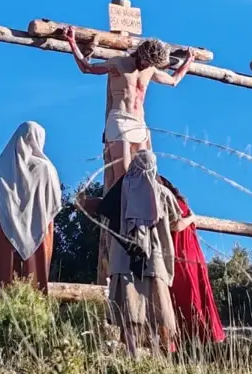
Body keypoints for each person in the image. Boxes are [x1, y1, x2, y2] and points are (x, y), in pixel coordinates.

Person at [62, 27, 195, 185]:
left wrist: (188, 61)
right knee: (122, 175)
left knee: (145, 172)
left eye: (151, 64)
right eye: (146, 62)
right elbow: (87, 68)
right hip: (120, 120)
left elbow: (173, 81)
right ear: (140, 54)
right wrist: (72, 42)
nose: (146, 66)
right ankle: (118, 200)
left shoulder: (150, 70)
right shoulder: (118, 63)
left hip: (139, 123)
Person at [91, 149, 186, 355]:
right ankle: (158, 354)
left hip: (123, 257)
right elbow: (176, 223)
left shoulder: (117, 192)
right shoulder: (162, 193)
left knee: (129, 307)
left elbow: (105, 214)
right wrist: (192, 219)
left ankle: (132, 353)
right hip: (154, 259)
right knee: (156, 308)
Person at [0, 121, 63, 295]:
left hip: (2, 233)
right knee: (33, 288)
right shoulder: (47, 169)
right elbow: (55, 203)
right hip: (38, 233)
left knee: (1, 289)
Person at [157, 174, 225, 345]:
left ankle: (185, 337)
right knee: (195, 292)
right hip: (191, 253)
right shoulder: (181, 202)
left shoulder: (165, 199)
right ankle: (202, 336)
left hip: (181, 253)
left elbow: (177, 224)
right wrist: (192, 218)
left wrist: (190, 219)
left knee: (184, 293)